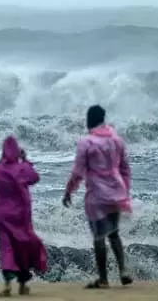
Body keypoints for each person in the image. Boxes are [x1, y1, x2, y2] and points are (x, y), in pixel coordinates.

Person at [62, 104, 133, 289]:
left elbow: (77, 172)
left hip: (97, 194)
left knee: (99, 237)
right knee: (114, 234)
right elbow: (125, 169)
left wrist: (69, 191)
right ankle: (123, 270)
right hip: (117, 191)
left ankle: (103, 279)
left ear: (89, 120)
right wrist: (125, 191)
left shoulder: (86, 142)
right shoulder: (117, 140)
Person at [0, 135, 47, 297]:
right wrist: (25, 160)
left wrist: (1, 161)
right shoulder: (23, 169)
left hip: (2, 215)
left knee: (6, 247)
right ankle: (22, 285)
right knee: (22, 247)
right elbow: (35, 178)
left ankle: (7, 285)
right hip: (21, 216)